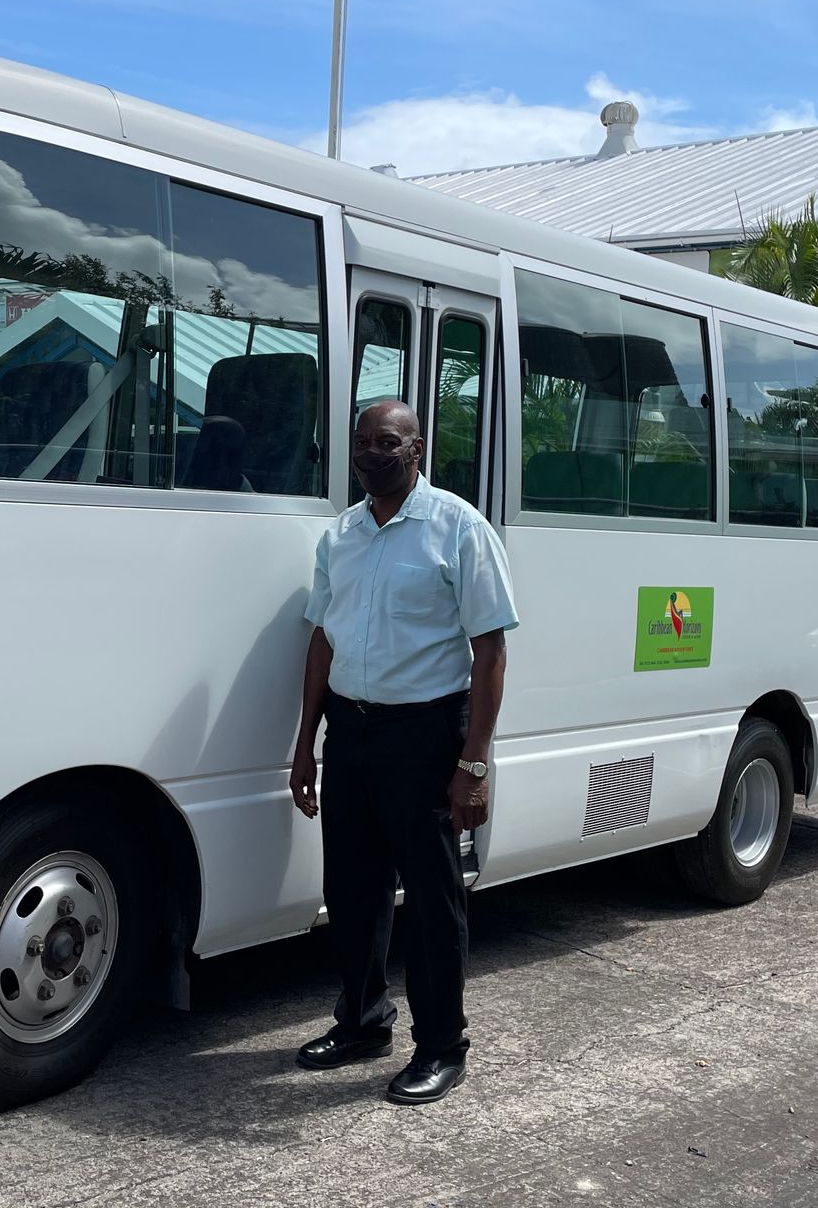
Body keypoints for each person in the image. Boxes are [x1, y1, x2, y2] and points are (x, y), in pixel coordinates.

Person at [289, 399, 518, 1105]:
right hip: (351, 733)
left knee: (432, 900)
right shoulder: (343, 536)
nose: (371, 453)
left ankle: (443, 1045)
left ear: (417, 449)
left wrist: (473, 763)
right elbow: (322, 640)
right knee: (351, 893)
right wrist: (304, 745)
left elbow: (489, 652)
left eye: (387, 441)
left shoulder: (458, 527)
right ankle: (362, 1022)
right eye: (362, 442)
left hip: (425, 737)